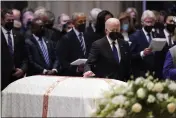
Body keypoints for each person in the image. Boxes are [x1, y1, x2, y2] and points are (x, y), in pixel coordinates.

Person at [56, 12, 92, 76]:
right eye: (80, 21)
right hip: (72, 75)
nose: (83, 23)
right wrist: (77, 69)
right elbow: (62, 60)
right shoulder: (66, 38)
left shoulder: (88, 36)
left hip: (87, 73)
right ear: (73, 23)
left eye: (84, 21)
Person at [1, 9, 28, 90]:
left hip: (16, 78)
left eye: (12, 20)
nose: (11, 22)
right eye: (8, 20)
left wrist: (23, 70)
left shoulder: (19, 35)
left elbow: (25, 57)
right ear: (1, 20)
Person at [129, 10, 157, 77]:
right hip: (141, 73)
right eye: (147, 22)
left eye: (152, 22)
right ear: (142, 22)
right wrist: (142, 53)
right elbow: (130, 56)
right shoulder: (135, 36)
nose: (150, 24)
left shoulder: (156, 35)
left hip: (155, 73)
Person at [154, 12, 176, 79]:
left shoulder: (175, 38)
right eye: (170, 21)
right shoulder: (157, 35)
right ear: (165, 23)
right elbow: (156, 58)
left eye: (174, 22)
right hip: (160, 74)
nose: (172, 24)